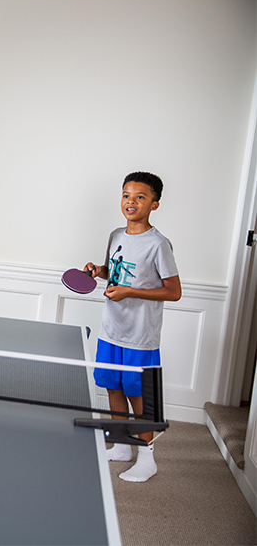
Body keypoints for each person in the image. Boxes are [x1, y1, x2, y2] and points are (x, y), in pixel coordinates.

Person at [84, 171, 181, 483]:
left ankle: (147, 456)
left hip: (140, 337)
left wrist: (130, 292)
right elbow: (114, 272)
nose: (131, 202)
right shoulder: (115, 235)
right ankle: (123, 445)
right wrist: (96, 271)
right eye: (127, 195)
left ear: (155, 204)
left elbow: (173, 291)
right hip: (111, 329)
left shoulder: (159, 245)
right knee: (113, 386)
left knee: (139, 395)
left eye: (141, 197)